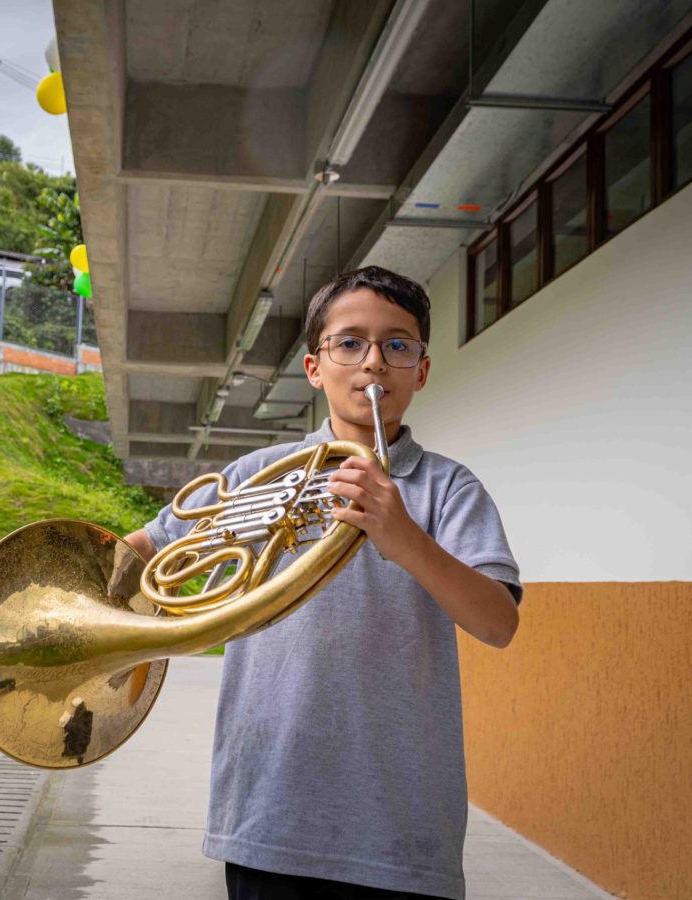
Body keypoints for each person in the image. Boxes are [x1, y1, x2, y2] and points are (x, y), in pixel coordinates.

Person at [123, 265, 523, 900]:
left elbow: (498, 623)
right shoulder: (261, 473)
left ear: (420, 370)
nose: (374, 364)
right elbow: (142, 553)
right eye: (350, 342)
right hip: (268, 811)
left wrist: (406, 538)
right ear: (315, 367)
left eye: (398, 345)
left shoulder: (450, 488)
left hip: (403, 831)